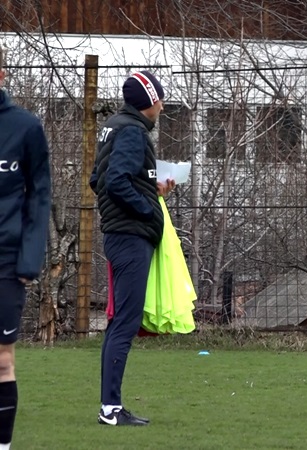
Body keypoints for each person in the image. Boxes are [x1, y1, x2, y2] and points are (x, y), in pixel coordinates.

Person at [89, 70, 175, 426]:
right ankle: (110, 410)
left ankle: (110, 406)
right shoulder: (134, 131)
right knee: (124, 322)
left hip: (118, 234)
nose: (162, 105)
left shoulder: (114, 126)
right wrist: (146, 209)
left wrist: (153, 188)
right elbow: (114, 183)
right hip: (130, 236)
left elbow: (99, 178)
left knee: (119, 322)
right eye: (159, 99)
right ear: (149, 101)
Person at [0, 47, 52, 449]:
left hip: (6, 262)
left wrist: (29, 258)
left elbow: (39, 196)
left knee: (2, 361)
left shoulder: (25, 127)